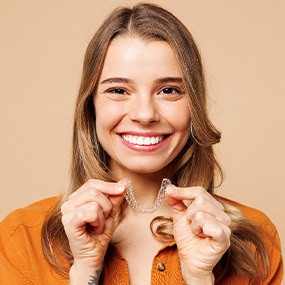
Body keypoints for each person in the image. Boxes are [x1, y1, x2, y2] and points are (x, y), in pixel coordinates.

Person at [0, 3, 283, 285]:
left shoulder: (254, 242)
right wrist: (85, 271)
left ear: (194, 105)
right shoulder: (22, 239)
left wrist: (199, 279)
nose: (145, 114)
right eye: (119, 90)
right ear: (91, 106)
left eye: (169, 90)